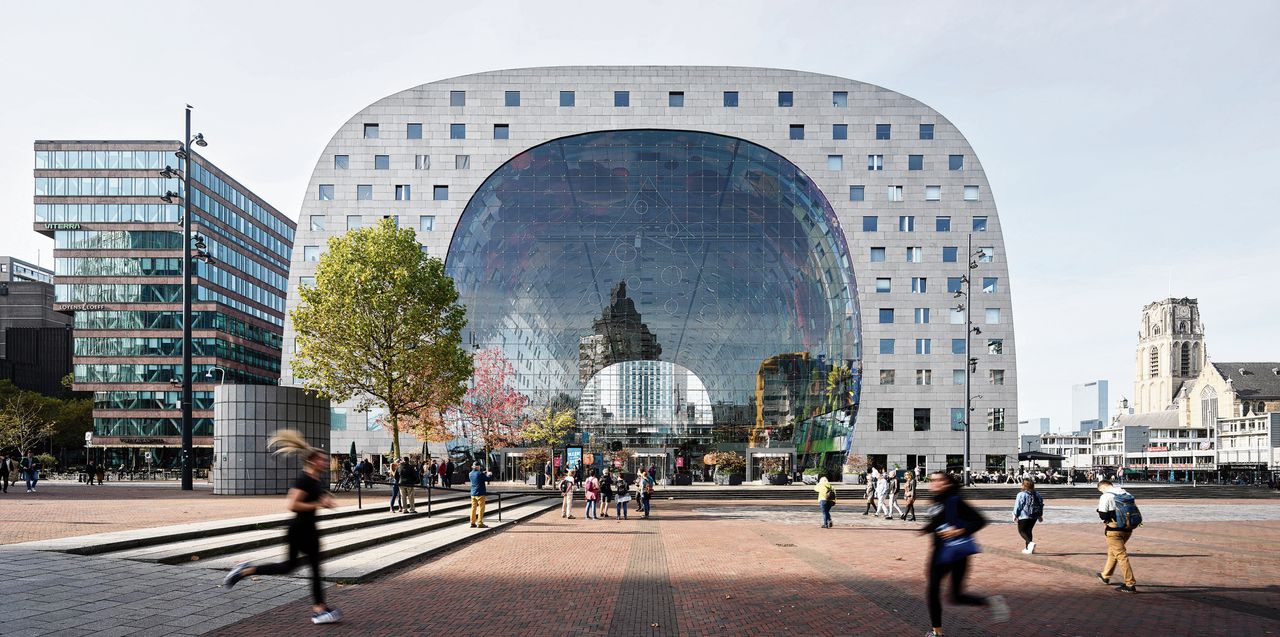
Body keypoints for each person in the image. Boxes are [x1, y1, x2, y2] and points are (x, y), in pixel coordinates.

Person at [222, 430, 342, 625]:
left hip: (307, 529)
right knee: (311, 567)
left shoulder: (314, 480)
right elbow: (292, 505)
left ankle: (244, 570)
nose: (326, 463)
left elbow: (311, 500)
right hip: (300, 529)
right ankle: (319, 609)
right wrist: (319, 504)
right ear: (312, 461)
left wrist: (324, 501)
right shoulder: (303, 479)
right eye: (322, 460)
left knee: (291, 567)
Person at [920, 471, 1008, 636]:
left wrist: (959, 531)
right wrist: (925, 530)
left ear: (948, 483)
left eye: (940, 480)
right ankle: (937, 631)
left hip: (955, 552)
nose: (935, 483)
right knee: (945, 594)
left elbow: (980, 520)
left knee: (952, 595)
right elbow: (937, 522)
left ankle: (988, 602)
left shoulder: (955, 500)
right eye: (932, 480)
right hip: (940, 552)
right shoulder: (936, 500)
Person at [1095, 479, 1137, 592]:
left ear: (1102, 487)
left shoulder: (1106, 496)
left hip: (1114, 529)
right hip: (1128, 528)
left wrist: (1099, 511)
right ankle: (1105, 576)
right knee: (1113, 551)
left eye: (1100, 490)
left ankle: (1130, 583)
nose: (1101, 492)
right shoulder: (1126, 493)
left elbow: (1103, 515)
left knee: (1121, 555)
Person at [1013, 479, 1043, 554]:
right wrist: (1040, 515)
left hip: (1024, 515)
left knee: (1022, 531)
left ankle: (1030, 543)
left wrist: (1015, 514)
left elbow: (1018, 506)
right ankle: (1028, 548)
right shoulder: (1037, 494)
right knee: (1029, 531)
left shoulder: (1021, 494)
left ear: (1024, 485)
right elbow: (1041, 505)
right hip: (1034, 516)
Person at [469, 462, 490, 528]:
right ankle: (480, 523)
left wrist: (483, 473)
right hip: (480, 493)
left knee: (473, 508)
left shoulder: (470, 474)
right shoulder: (480, 474)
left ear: (473, 466)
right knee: (481, 508)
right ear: (478, 467)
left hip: (473, 493)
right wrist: (489, 474)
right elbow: (488, 479)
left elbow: (477, 478)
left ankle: (472, 522)